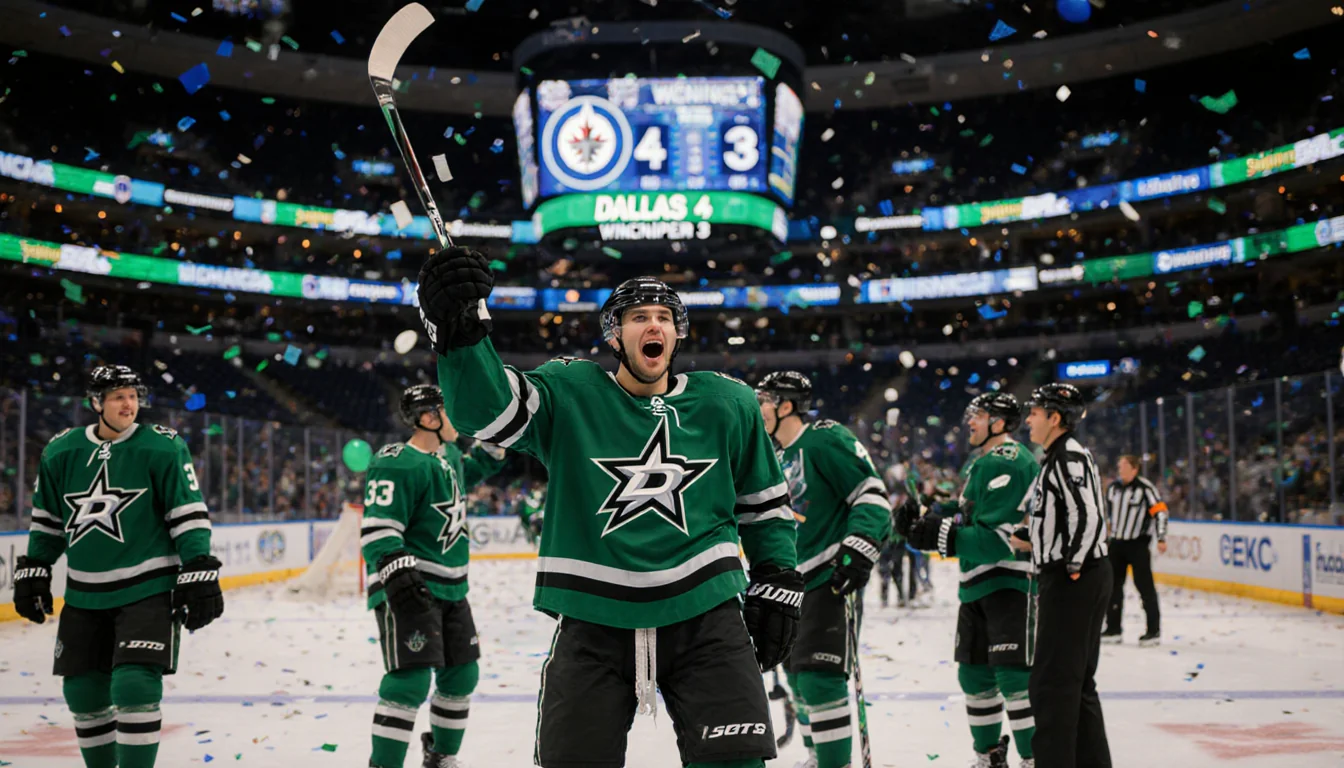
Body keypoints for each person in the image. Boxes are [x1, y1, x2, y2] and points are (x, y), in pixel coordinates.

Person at [416, 250, 802, 768]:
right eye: (639, 316)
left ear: (677, 333)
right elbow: (487, 413)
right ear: (614, 335)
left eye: (664, 317)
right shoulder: (571, 391)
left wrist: (777, 576)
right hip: (593, 620)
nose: (654, 324)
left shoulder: (727, 403)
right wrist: (461, 333)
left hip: (707, 615)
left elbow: (764, 504)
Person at [13, 365, 224, 768]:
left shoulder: (162, 446)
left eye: (132, 395)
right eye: (117, 397)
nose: (129, 404)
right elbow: (48, 522)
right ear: (96, 403)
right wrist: (36, 565)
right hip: (84, 592)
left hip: (147, 587)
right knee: (83, 693)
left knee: (134, 685)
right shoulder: (61, 451)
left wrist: (198, 563)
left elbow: (188, 514)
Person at [361, 384, 507, 768]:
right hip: (409, 584)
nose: (456, 417)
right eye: (448, 410)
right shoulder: (396, 461)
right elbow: (378, 527)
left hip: (452, 586)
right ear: (429, 418)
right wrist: (394, 568)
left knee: (462, 674)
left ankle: (441, 756)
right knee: (410, 679)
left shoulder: (449, 456)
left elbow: (474, 469)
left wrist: (499, 438)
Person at [756, 370, 891, 768]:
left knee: (819, 677)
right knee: (799, 680)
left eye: (764, 400)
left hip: (828, 577)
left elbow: (872, 494)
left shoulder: (825, 438)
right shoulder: (774, 455)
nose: (758, 408)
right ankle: (818, 757)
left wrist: (860, 546)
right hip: (789, 586)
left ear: (785, 405)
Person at [896, 393, 1040, 768]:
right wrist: (927, 515)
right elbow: (968, 516)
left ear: (999, 422)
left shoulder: (1010, 460)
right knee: (974, 677)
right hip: (976, 586)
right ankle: (989, 756)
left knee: (1014, 679)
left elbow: (998, 539)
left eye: (977, 415)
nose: (969, 422)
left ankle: (1032, 758)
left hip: (1009, 584)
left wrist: (938, 535)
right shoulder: (982, 463)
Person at [1020, 383, 1111, 768]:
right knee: (1075, 685)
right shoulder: (1057, 456)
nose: (1028, 420)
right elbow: (1052, 516)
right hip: (1077, 575)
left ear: (1055, 418)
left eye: (1036, 413)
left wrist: (1072, 565)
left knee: (1053, 685)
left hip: (1074, 578)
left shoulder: (1066, 456)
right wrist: (1029, 538)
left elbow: (1086, 514)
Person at [1103, 455, 1168, 646]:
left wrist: (1161, 537)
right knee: (1112, 587)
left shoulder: (1145, 488)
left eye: (1123, 466)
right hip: (1116, 544)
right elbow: (1107, 514)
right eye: (1119, 465)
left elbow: (1160, 512)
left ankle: (1153, 631)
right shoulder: (1113, 489)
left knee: (1145, 588)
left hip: (1137, 544)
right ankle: (1113, 629)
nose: (1119, 469)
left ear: (1134, 469)